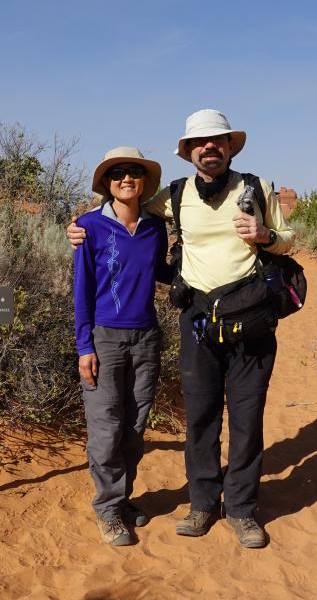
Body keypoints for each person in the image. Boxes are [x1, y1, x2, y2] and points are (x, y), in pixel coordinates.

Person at [68, 110, 294, 548]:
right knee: (194, 420)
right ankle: (198, 504)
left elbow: (288, 240)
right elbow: (104, 240)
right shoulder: (168, 198)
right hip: (184, 325)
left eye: (218, 141)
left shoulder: (253, 190)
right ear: (189, 152)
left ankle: (243, 510)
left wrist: (265, 234)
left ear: (229, 146)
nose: (210, 148)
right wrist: (76, 229)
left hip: (244, 319)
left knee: (241, 419)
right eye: (200, 143)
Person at [74, 146, 170, 546]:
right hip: (105, 338)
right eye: (117, 174)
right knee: (105, 427)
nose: (126, 179)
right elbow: (81, 289)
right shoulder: (89, 226)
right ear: (106, 184)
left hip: (146, 337)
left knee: (134, 426)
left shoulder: (154, 228)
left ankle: (123, 497)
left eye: (133, 172)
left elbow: (163, 271)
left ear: (144, 181)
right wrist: (84, 346)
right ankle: (108, 509)